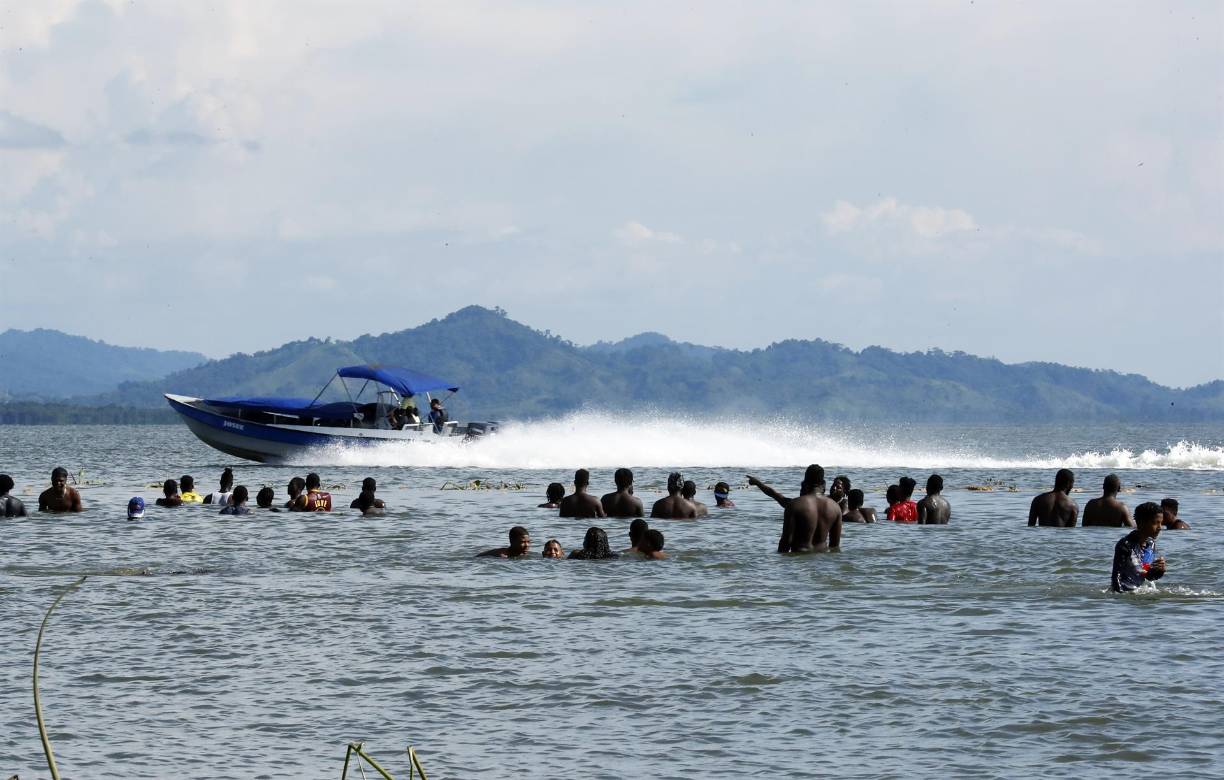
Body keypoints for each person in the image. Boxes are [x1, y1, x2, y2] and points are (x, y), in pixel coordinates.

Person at [748, 465, 842, 553]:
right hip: (823, 561)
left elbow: (786, 542)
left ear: (804, 483)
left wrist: (779, 565)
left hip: (800, 565)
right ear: (823, 485)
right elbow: (835, 547)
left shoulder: (795, 505)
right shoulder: (836, 508)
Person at [1110, 501, 1167, 592]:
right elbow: (1116, 578)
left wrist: (1160, 571)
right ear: (1141, 523)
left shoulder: (1150, 544)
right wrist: (1119, 597)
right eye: (1155, 523)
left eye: (1161, 523)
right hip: (1125, 593)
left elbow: (1148, 576)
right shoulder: (1125, 545)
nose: (1160, 527)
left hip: (1139, 592)